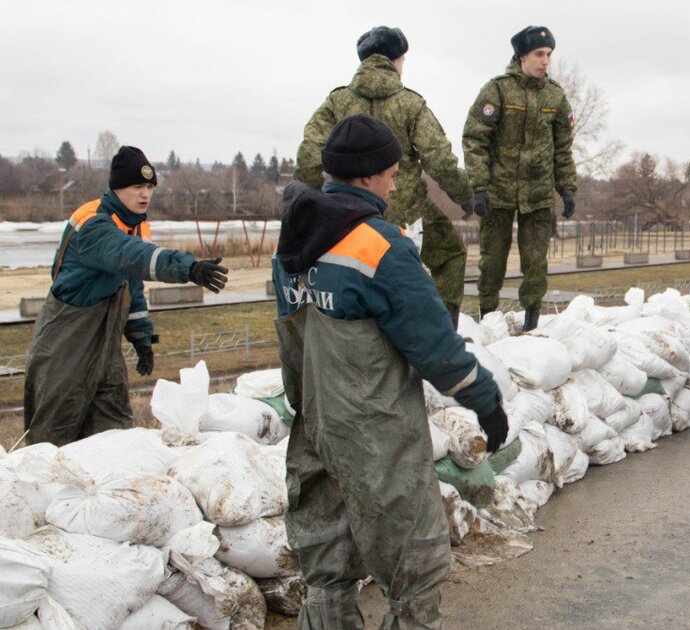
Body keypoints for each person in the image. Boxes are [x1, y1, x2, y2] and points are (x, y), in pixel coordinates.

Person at [274, 114, 508, 629]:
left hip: (315, 424)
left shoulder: (290, 246)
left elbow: (291, 340)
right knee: (414, 565)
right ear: (366, 177)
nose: (396, 183)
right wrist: (485, 400)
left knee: (327, 563)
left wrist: (307, 408)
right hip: (375, 432)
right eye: (393, 173)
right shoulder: (380, 246)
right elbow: (435, 348)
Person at [23, 146, 227, 446]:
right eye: (137, 187)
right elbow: (132, 257)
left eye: (149, 187)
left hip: (105, 337)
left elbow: (130, 284)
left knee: (113, 426)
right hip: (66, 339)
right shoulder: (94, 224)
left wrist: (141, 336)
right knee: (54, 431)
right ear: (117, 188)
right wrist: (188, 268)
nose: (145, 194)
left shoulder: (133, 221)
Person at [296, 26, 474, 328]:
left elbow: (309, 158)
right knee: (451, 253)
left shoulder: (337, 103)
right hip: (403, 206)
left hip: (345, 210)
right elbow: (439, 159)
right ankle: (444, 329)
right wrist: (465, 196)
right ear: (397, 60)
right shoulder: (410, 104)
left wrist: (312, 201)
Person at [463, 25, 578, 331]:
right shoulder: (498, 90)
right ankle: (488, 319)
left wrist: (566, 187)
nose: (545, 61)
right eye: (539, 54)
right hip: (498, 193)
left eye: (549, 55)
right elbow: (475, 140)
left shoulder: (555, 96)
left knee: (536, 262)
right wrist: (479, 188)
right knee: (492, 260)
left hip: (538, 194)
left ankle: (532, 322)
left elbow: (563, 148)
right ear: (522, 55)